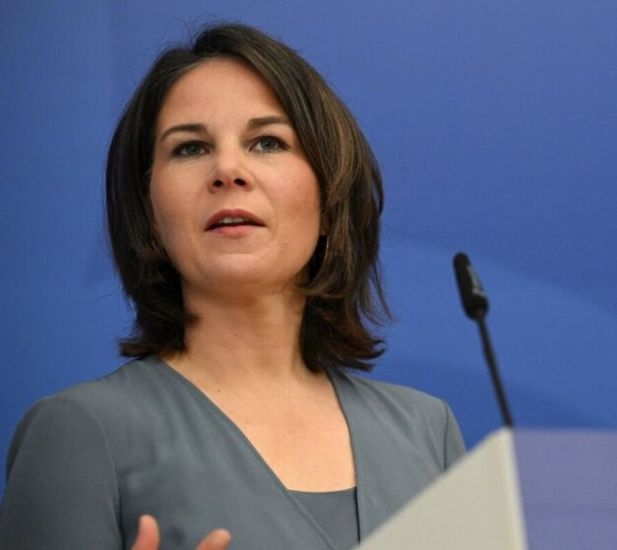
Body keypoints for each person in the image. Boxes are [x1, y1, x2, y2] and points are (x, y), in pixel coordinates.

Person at [0, 23, 465, 550]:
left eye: (268, 142)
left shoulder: (428, 430)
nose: (228, 169)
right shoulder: (80, 435)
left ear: (330, 196)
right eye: (190, 149)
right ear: (149, 213)